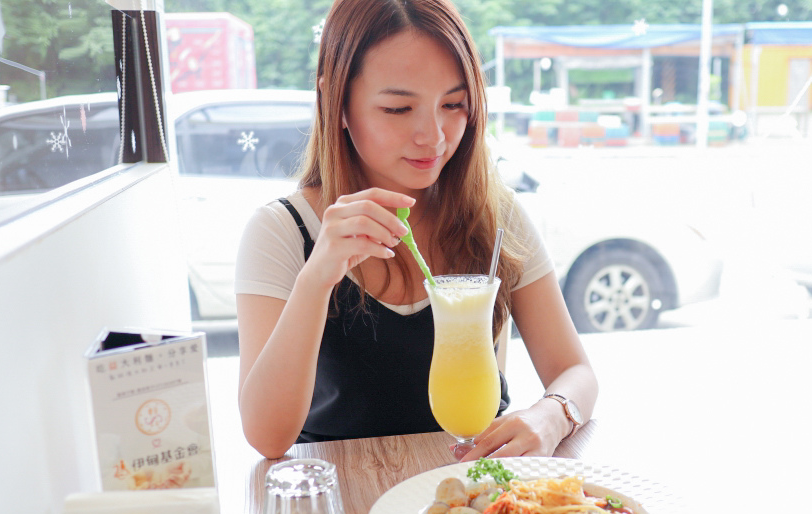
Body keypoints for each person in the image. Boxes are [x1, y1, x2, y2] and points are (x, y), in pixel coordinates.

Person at [235, 0, 597, 461]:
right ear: (336, 102)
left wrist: (549, 415)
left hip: (474, 496)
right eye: (398, 108)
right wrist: (316, 278)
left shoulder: (495, 215)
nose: (434, 135)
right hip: (343, 504)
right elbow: (267, 438)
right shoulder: (282, 232)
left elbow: (575, 371)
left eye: (453, 104)